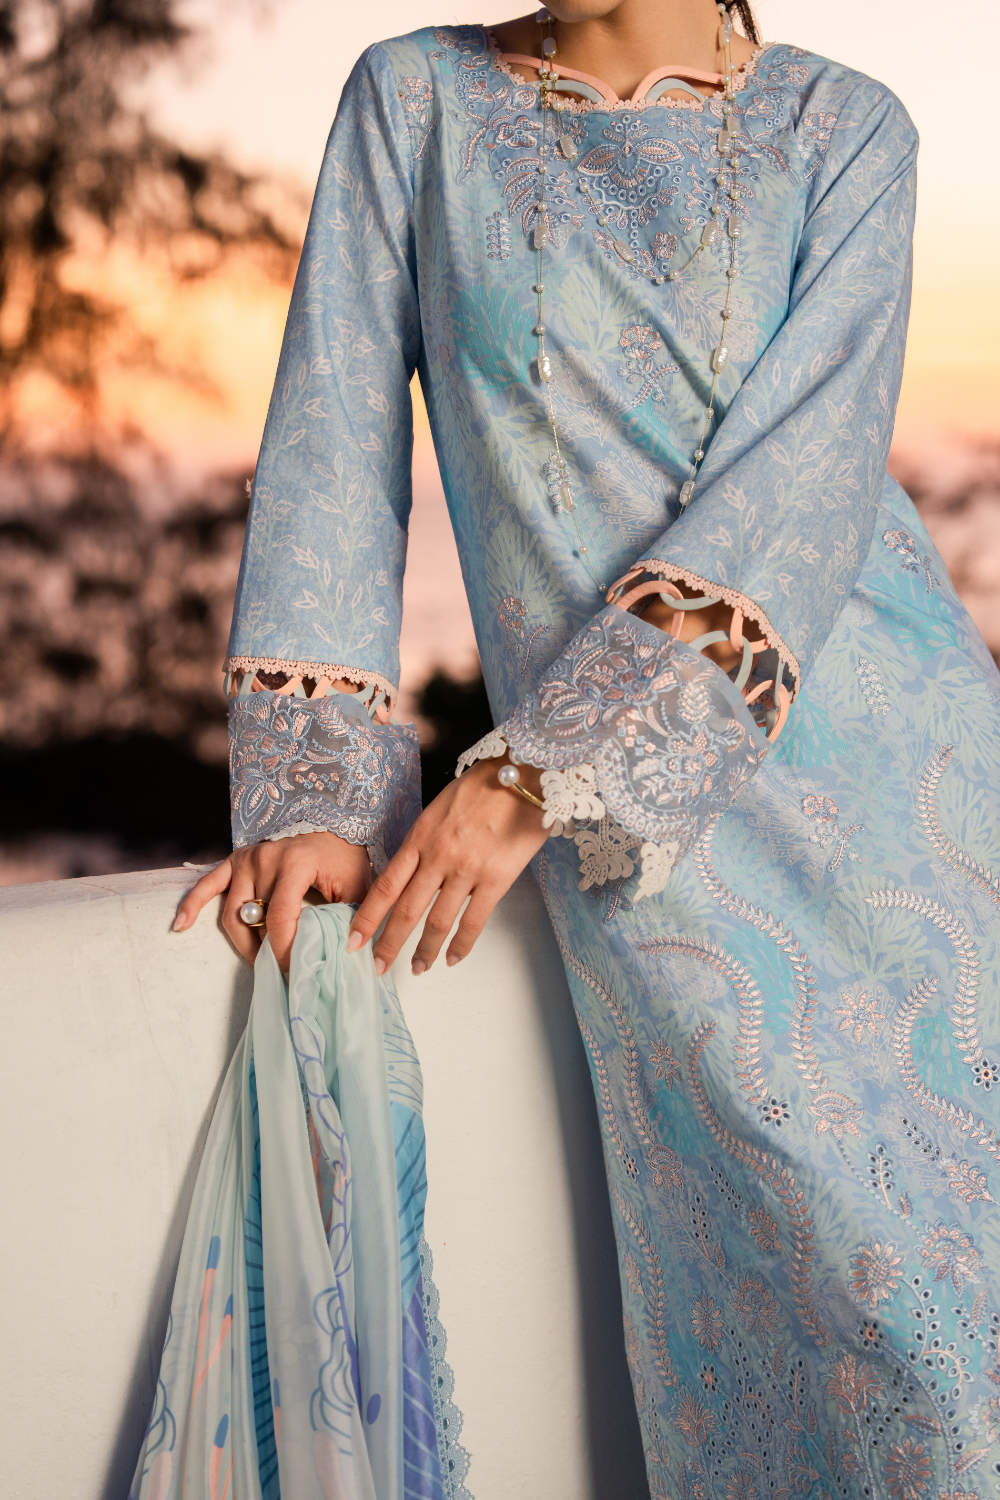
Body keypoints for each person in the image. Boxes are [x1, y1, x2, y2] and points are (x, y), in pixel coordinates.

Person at [178, 1, 1000, 1494]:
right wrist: (319, 785)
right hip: (665, 877)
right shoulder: (415, 102)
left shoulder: (847, 128)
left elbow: (807, 483)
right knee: (873, 1349)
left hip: (911, 807)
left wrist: (536, 773)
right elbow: (332, 443)